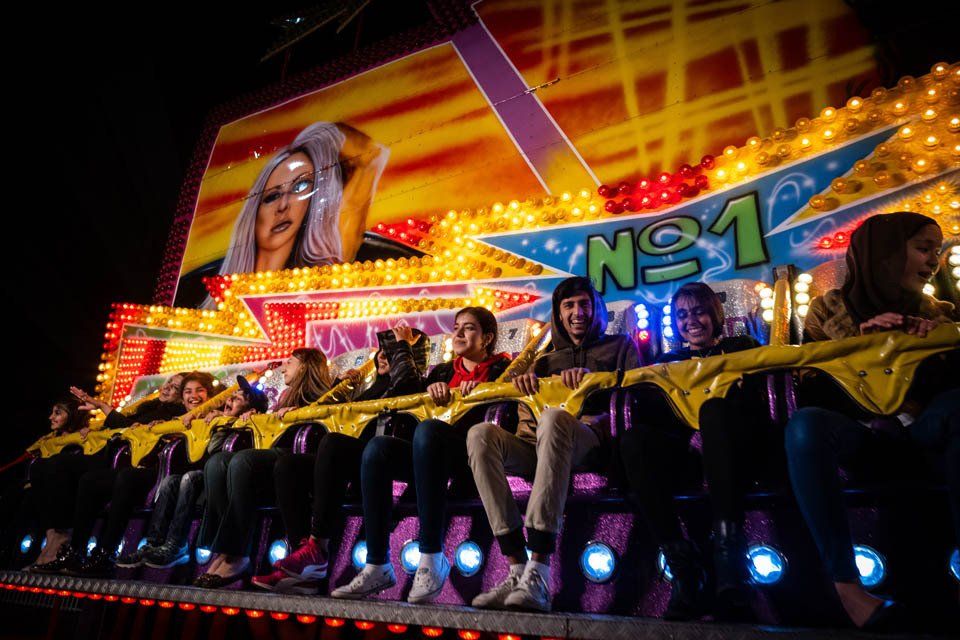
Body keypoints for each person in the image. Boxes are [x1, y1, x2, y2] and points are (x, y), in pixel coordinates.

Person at [784, 212, 959, 629]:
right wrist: (864, 346)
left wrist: (927, 347)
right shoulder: (827, 311)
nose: (933, 259)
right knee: (805, 426)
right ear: (884, 254)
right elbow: (811, 390)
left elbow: (944, 397)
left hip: (922, 436)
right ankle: (847, 589)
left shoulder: (938, 314)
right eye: (923, 248)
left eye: (936, 250)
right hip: (863, 437)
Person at [461, 277, 640, 612]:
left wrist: (591, 385)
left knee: (555, 418)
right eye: (569, 306)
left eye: (584, 304)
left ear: (596, 308)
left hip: (588, 441)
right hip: (535, 444)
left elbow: (639, 398)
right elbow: (519, 406)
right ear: (558, 313)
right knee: (480, 434)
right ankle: (516, 568)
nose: (577, 312)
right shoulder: (543, 360)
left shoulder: (621, 346)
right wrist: (526, 382)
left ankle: (539, 569)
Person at [330, 307, 511, 601]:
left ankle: (431, 555)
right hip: (428, 452)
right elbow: (408, 394)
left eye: (469, 328)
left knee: (428, 431)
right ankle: (377, 563)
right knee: (378, 449)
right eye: (456, 327)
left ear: (488, 337)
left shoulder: (504, 368)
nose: (460, 333)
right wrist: (431, 389)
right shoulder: (442, 371)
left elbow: (510, 412)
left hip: (472, 454)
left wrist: (484, 390)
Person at [618, 282, 765, 621]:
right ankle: (683, 567)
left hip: (736, 449)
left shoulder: (741, 347)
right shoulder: (668, 362)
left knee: (713, 410)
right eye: (682, 315)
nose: (691, 321)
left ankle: (729, 559)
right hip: (687, 454)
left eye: (698, 311)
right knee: (634, 440)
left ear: (715, 314)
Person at [252, 327, 430, 594]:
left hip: (391, 459)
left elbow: (406, 385)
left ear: (409, 355)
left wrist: (402, 351)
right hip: (357, 461)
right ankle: (304, 556)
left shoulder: (417, 382)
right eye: (383, 350)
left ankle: (316, 549)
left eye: (394, 350)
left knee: (334, 444)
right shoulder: (372, 388)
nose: (383, 356)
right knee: (289, 465)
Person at [31, 372, 214, 576]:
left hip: (157, 468)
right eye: (170, 383)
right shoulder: (151, 407)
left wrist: (153, 427)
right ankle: (74, 549)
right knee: (88, 480)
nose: (169, 387)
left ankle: (105, 553)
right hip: (128, 458)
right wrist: (100, 419)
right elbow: (125, 426)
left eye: (176, 387)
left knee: (123, 476)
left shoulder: (183, 413)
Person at [199, 122, 389, 309]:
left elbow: (372, 157)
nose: (283, 206)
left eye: (300, 187)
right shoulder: (217, 294)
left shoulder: (318, 279)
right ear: (253, 214)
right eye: (272, 196)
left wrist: (322, 137)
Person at [193, 348, 333, 587]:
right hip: (274, 453)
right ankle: (223, 550)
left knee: (242, 460)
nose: (284, 366)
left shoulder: (326, 393)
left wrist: (301, 413)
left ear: (305, 367)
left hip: (298, 456)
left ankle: (237, 552)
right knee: (217, 464)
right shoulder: (285, 394)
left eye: (290, 362)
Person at [115, 376, 269, 570]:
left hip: (221, 480)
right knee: (170, 480)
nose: (229, 401)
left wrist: (223, 422)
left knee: (189, 478)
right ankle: (153, 544)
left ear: (251, 410)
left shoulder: (247, 425)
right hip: (202, 474)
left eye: (238, 399)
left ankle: (177, 545)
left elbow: (216, 451)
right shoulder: (212, 418)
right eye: (231, 397)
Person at [0, 398, 90, 568]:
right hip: (42, 488)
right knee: (14, 494)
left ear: (72, 416)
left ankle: (56, 545)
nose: (50, 417)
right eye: (52, 412)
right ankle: (14, 556)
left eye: (57, 413)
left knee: (28, 499)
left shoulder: (87, 434)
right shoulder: (48, 438)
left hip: (68, 490)